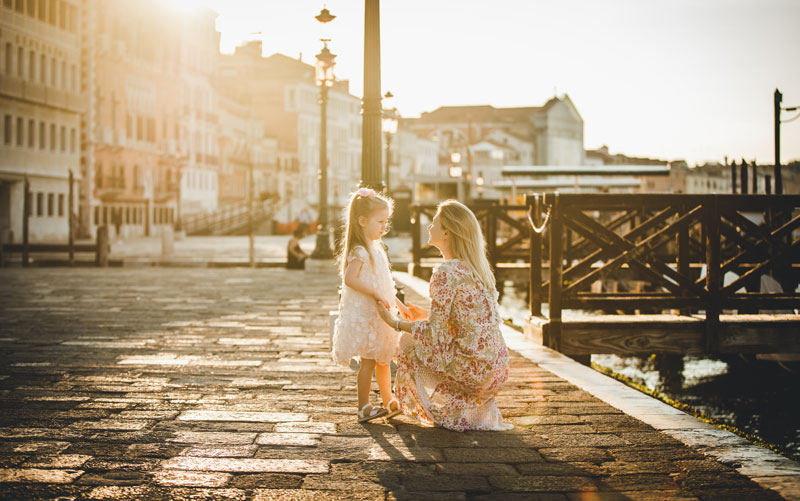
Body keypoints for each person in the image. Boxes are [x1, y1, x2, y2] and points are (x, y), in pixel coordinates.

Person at [376, 200, 513, 431]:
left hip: (474, 372)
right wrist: (426, 314)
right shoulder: (475, 268)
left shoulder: (445, 272)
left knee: (407, 342)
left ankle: (414, 405)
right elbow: (470, 318)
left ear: (447, 232)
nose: (429, 227)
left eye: (434, 223)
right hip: (498, 368)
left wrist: (395, 323)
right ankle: (467, 408)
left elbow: (435, 333)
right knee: (425, 337)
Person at [331, 187, 409, 422]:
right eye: (380, 222)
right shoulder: (360, 251)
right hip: (367, 314)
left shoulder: (377, 249)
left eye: (386, 221)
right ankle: (363, 405)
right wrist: (375, 292)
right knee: (368, 361)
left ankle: (388, 400)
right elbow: (350, 278)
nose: (384, 227)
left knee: (384, 358)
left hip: (381, 314)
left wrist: (397, 303)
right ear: (362, 221)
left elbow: (384, 283)